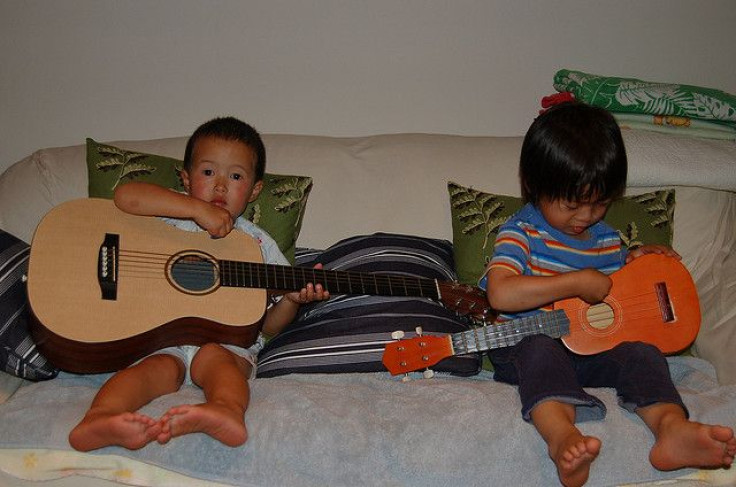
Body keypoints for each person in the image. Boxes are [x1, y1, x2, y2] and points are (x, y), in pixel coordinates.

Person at [480, 102, 736, 487]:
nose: (586, 215)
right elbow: (500, 293)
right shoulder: (521, 232)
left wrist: (641, 263)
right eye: (572, 204)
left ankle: (671, 429)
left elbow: (621, 296)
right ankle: (562, 438)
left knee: (642, 353)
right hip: (525, 345)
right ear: (535, 185)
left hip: (588, 351)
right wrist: (574, 282)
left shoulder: (605, 239)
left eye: (599, 203)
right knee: (539, 348)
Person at [69, 116, 329, 452]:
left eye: (235, 176)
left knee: (216, 358)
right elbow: (125, 196)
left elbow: (266, 326)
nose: (220, 185)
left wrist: (292, 300)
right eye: (208, 173)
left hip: (227, 344)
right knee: (155, 368)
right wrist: (193, 209)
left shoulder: (256, 243)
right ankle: (101, 417)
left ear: (254, 190)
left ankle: (225, 411)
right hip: (160, 334)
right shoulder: (168, 212)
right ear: (185, 178)